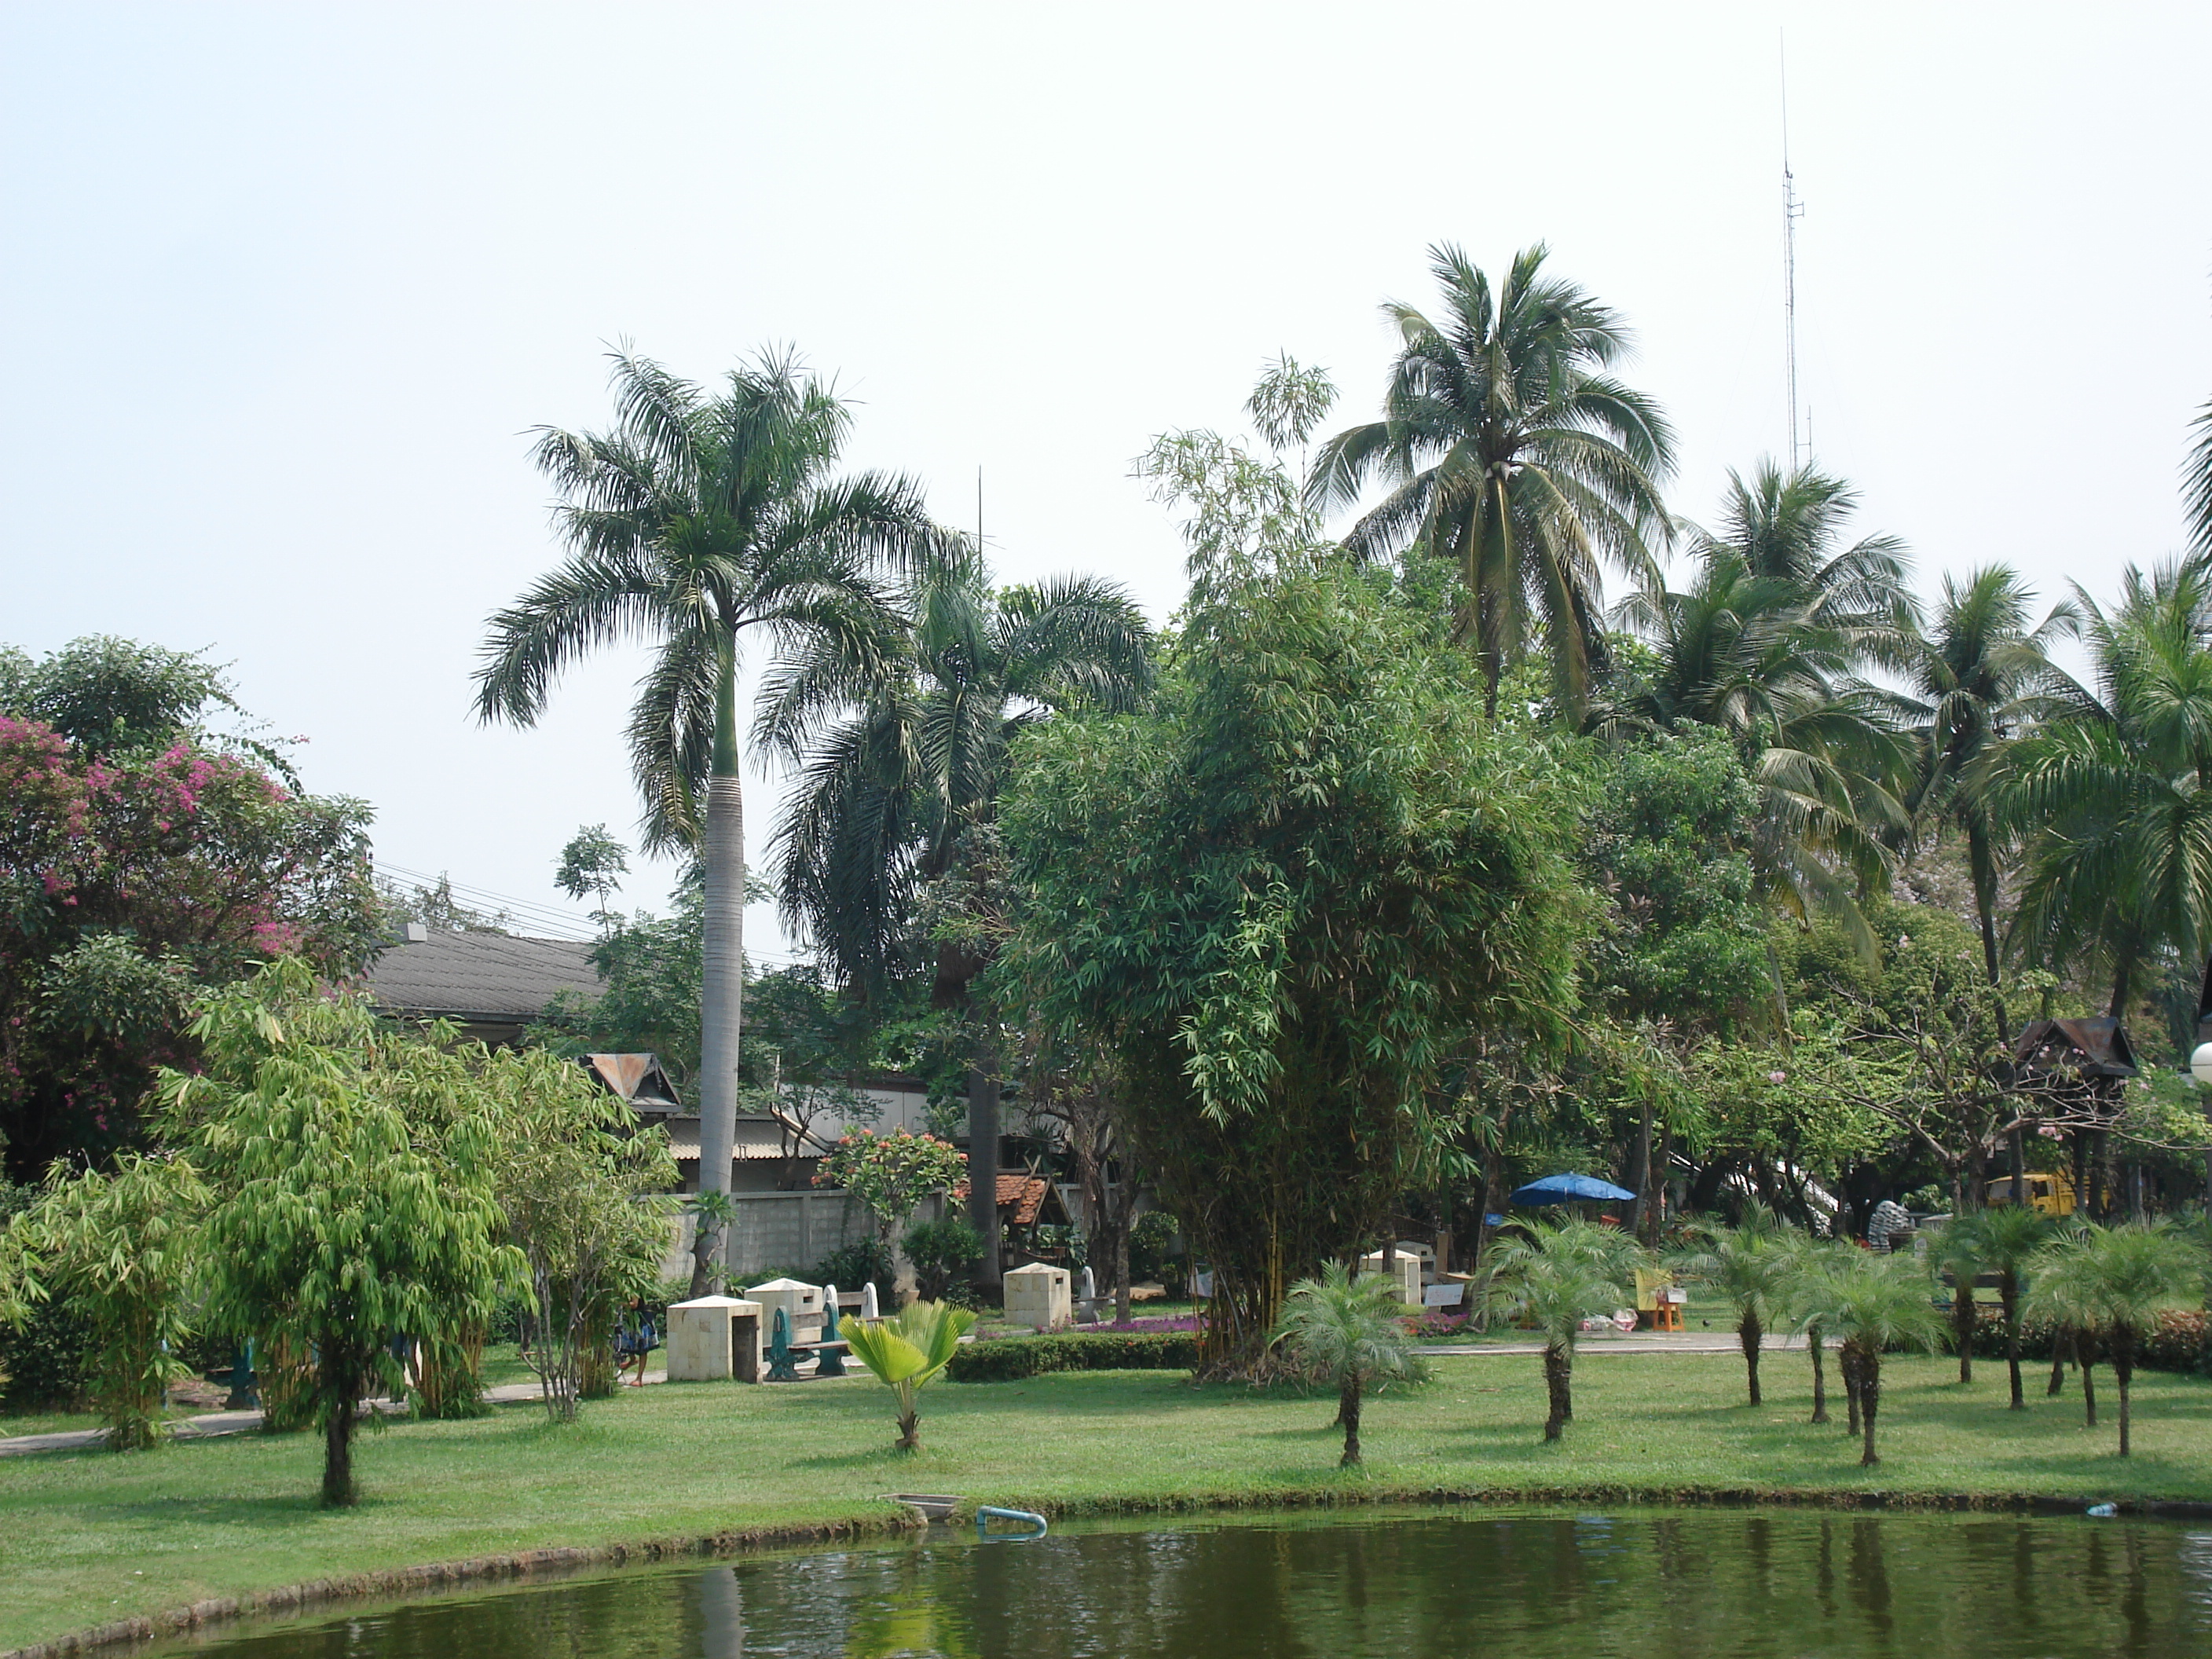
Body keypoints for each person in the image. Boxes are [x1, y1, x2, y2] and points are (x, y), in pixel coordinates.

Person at [614, 1296, 658, 1386]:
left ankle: (639, 1378)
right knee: (628, 1344)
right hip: (632, 1318)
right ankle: (632, 1360)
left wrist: (619, 1303)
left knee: (642, 1348)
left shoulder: (634, 1288)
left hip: (641, 1318)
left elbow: (634, 1304)